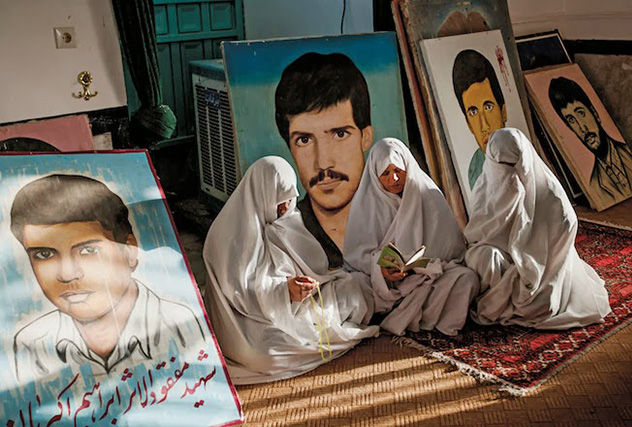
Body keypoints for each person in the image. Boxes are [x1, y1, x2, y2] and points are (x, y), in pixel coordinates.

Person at [10, 174, 205, 383]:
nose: (67, 274)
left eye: (87, 251)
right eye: (44, 254)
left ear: (129, 251)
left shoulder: (181, 325)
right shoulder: (31, 343)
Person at [201, 156, 379, 384]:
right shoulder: (229, 235)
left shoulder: (285, 218)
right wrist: (284, 291)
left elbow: (316, 269)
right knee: (267, 355)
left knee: (356, 287)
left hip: (296, 305)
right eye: (280, 199)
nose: (286, 207)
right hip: (248, 323)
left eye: (289, 198)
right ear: (263, 193)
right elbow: (241, 294)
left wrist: (303, 285)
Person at [464, 128, 611, 329]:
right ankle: (500, 298)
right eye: (501, 166)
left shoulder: (552, 197)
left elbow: (562, 235)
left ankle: (509, 301)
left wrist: (527, 258)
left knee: (543, 304)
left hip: (541, 266)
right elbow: (476, 235)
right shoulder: (484, 188)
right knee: (482, 258)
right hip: (503, 256)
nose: (507, 173)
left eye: (513, 165)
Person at [343, 138, 479, 336]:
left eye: (398, 170)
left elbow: (451, 253)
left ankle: (414, 318)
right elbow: (355, 258)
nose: (394, 179)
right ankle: (401, 314)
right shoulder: (365, 206)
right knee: (352, 284)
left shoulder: (428, 195)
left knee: (466, 278)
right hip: (383, 284)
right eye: (385, 173)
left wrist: (419, 266)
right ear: (375, 175)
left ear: (408, 166)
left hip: (426, 279)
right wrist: (381, 269)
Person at [275, 52, 374, 268]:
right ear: (290, 148)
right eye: (304, 140)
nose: (323, 163)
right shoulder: (285, 237)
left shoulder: (397, 217)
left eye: (340, 134)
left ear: (365, 137)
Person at [548, 76, 632, 201]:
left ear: (594, 113)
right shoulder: (594, 186)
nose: (582, 127)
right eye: (571, 120)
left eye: (581, 113)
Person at [452, 49, 508, 190]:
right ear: (469, 125)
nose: (484, 126)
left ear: (503, 111)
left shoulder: (522, 155)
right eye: (473, 112)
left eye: (488, 107)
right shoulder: (475, 170)